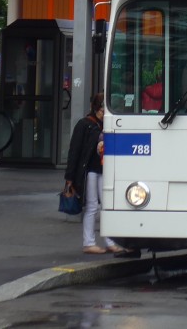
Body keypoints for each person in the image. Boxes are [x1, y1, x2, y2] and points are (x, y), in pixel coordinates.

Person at [65, 92, 129, 255]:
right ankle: (89, 242)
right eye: (101, 109)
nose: (103, 112)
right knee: (93, 206)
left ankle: (108, 242)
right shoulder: (86, 124)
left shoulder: (99, 124)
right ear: (96, 108)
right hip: (91, 171)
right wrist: (69, 177)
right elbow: (74, 152)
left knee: (105, 206)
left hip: (101, 170)